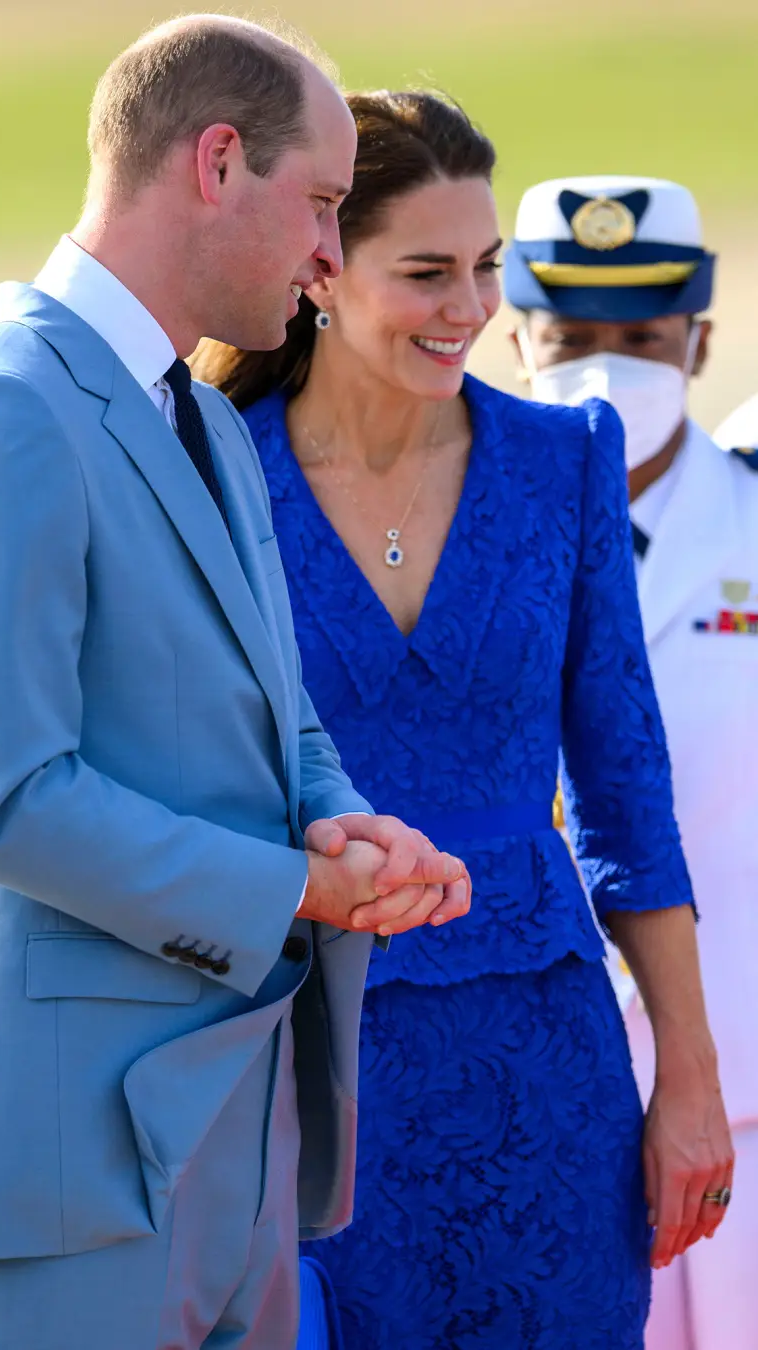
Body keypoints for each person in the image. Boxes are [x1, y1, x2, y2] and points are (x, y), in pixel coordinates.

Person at [0, 24, 472, 1350]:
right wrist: (294, 891)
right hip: (72, 1178)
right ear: (217, 163)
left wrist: (343, 823)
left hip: (238, 1153)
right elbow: (2, 799)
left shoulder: (202, 416)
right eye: (321, 203)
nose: (332, 254)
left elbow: (278, 714)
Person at [195, 94, 732, 1350]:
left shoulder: (566, 461)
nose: (473, 308)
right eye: (428, 272)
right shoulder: (212, 473)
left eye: (486, 268)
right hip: (293, 1061)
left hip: (547, 1063)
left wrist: (689, 1078)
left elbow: (626, 800)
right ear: (323, 270)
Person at [506, 174, 757, 1350]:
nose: (608, 370)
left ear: (700, 340)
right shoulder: (454, 530)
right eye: (572, 339)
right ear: (515, 338)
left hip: (749, 1091)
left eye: (644, 338)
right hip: (539, 1093)